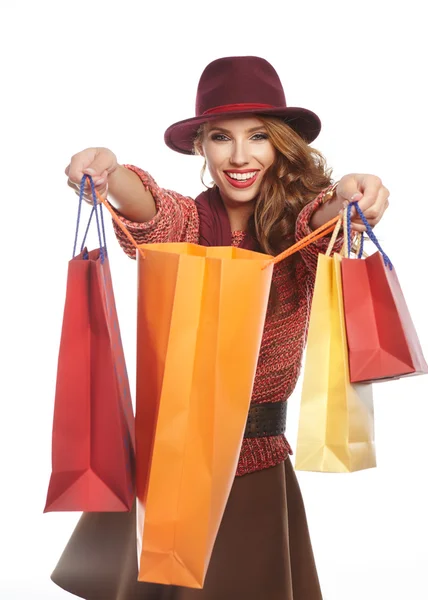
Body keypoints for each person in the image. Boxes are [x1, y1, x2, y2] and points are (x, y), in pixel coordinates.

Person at [52, 56, 389, 600]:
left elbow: (322, 219)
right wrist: (110, 174)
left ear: (280, 143)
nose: (239, 156)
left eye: (257, 136)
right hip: (173, 456)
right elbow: (151, 209)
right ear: (199, 148)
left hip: (254, 459)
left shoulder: (293, 227)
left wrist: (353, 195)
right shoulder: (190, 221)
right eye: (219, 137)